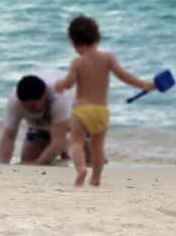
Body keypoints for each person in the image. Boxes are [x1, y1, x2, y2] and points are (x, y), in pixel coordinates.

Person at [55, 14, 155, 187]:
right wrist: (144, 85)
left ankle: (81, 170)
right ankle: (96, 178)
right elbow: (124, 76)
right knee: (97, 147)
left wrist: (60, 85)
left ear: (73, 43)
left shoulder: (77, 62)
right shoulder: (108, 58)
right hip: (101, 111)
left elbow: (69, 83)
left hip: (82, 111)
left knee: (76, 142)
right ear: (98, 37)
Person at [0, 70, 74, 165]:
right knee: (27, 161)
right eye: (25, 107)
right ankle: (62, 147)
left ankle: (65, 148)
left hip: (74, 114)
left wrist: (37, 167)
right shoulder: (14, 102)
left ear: (44, 95)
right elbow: (8, 136)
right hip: (40, 124)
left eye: (33, 106)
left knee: (88, 160)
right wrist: (3, 165)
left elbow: (58, 140)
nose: (29, 110)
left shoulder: (59, 98)